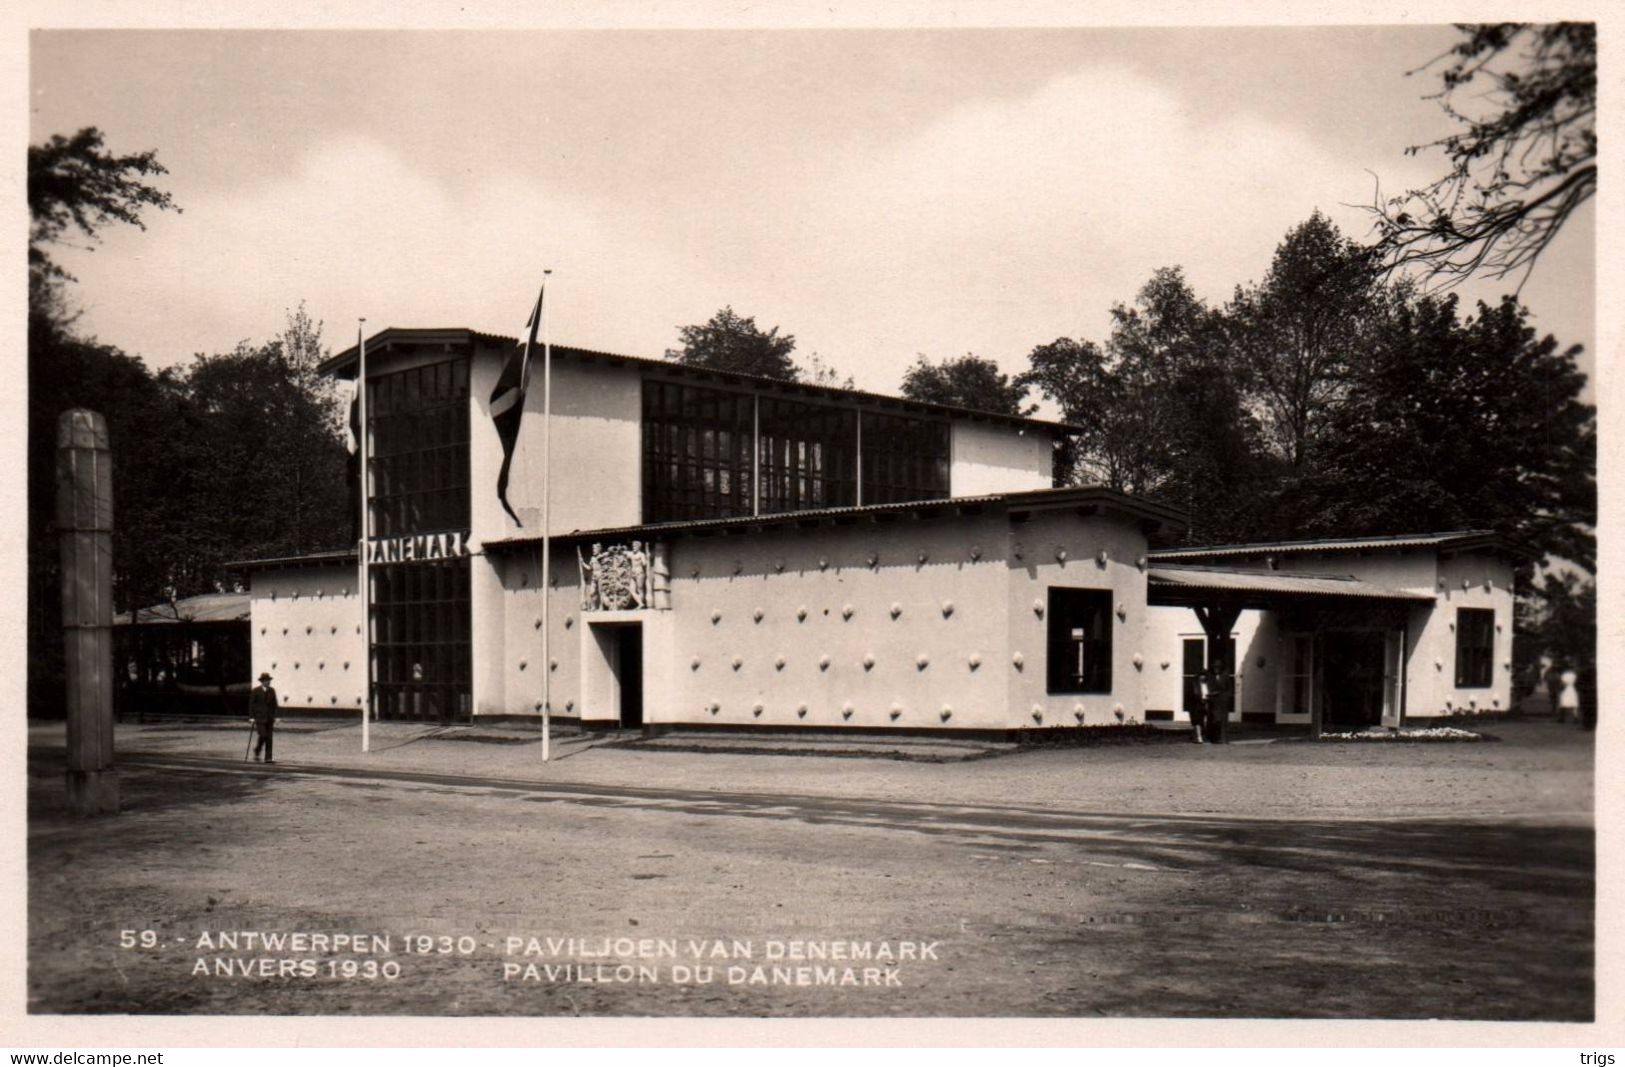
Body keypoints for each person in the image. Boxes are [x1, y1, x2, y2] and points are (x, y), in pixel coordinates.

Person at [249, 671, 278, 764]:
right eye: (266, 680)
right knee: (263, 735)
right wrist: (251, 717)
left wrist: (275, 716)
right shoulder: (256, 690)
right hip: (259, 718)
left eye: (269, 680)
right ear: (262, 681)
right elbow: (251, 705)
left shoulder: (272, 690)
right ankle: (257, 750)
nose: (268, 682)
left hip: (269, 718)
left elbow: (274, 704)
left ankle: (268, 758)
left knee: (269, 737)